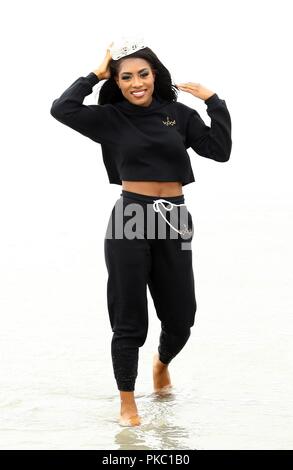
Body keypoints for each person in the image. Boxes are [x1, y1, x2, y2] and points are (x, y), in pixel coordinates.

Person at [50, 37, 232, 427]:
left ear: (155, 74)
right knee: (130, 317)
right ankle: (127, 402)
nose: (137, 83)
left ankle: (162, 363)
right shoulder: (110, 118)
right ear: (116, 82)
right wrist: (93, 76)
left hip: (175, 219)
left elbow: (219, 150)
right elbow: (61, 109)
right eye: (126, 76)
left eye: (143, 74)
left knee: (182, 318)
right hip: (131, 215)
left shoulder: (178, 114)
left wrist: (215, 102)